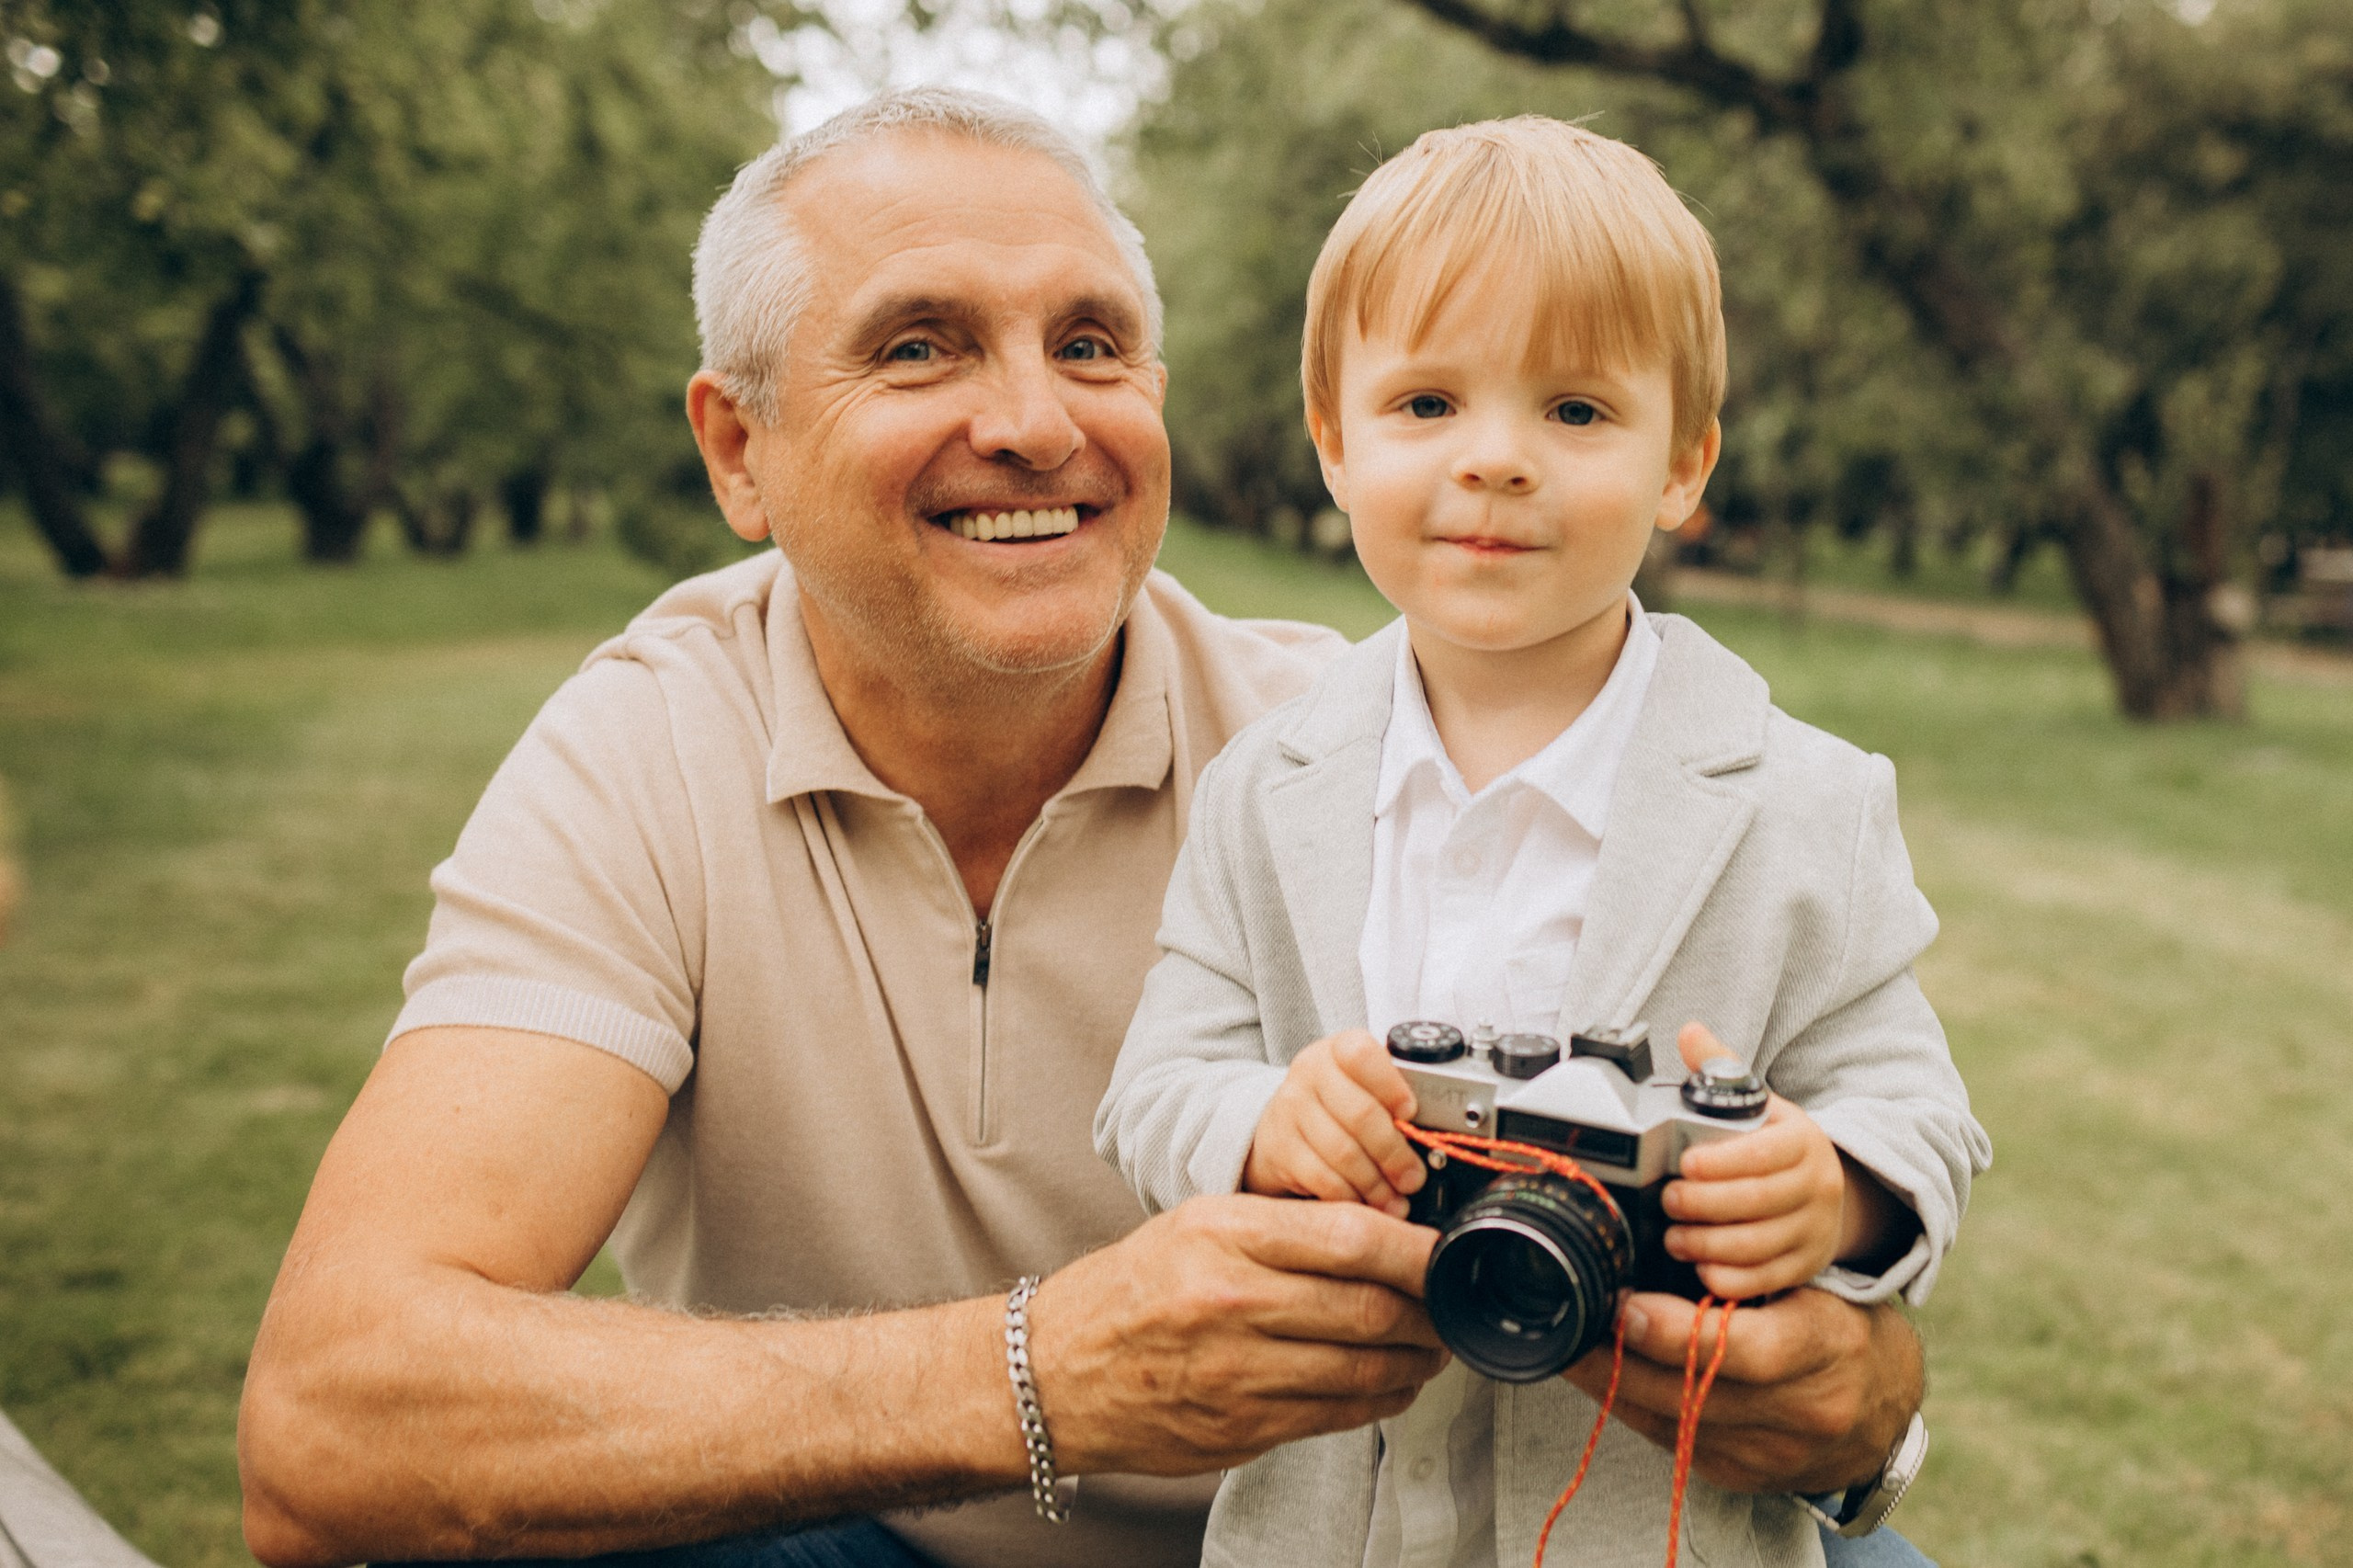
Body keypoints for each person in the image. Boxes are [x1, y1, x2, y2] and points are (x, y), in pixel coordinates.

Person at [235, 89, 1944, 1568]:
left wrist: (1858, 1392)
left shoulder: (1358, 740)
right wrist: (1040, 1372)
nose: (1037, 422)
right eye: (920, 345)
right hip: (867, 1529)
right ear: (738, 449)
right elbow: (333, 1429)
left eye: (1092, 344)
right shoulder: (647, 749)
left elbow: (1853, 1181)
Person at [1097, 118, 1990, 1568]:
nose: (1497, 462)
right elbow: (1153, 1088)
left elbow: (1920, 1109)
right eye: (1428, 403)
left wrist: (1832, 1183)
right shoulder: (1269, 787)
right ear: (1334, 438)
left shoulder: (1801, 801)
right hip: (1333, 1510)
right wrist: (1263, 1121)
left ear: (1683, 463)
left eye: (1576, 412)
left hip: (1654, 1510)